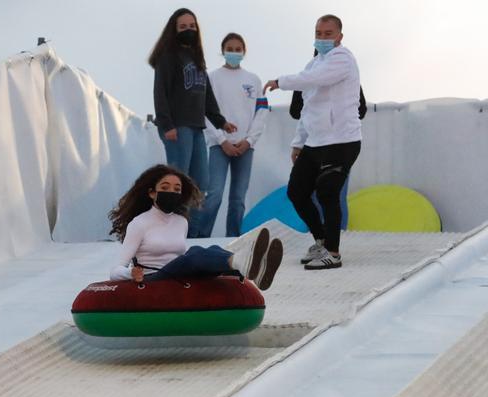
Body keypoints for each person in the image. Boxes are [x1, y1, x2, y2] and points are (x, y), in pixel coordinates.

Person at [263, 14, 361, 270]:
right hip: (316, 143)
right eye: (319, 33)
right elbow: (308, 108)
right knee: (296, 191)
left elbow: (314, 80)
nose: (323, 38)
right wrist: (298, 142)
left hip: (342, 141)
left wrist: (280, 82)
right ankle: (320, 239)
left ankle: (333, 251)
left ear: (339, 36)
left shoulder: (342, 59)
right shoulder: (313, 64)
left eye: (328, 33)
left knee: (328, 191)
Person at [108, 164, 283, 290]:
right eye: (165, 187)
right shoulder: (139, 223)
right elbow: (115, 270)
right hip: (154, 277)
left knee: (210, 249)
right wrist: (130, 274)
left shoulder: (181, 222)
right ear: (152, 193)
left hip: (179, 276)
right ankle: (244, 260)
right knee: (194, 254)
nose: (172, 192)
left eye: (177, 189)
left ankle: (254, 268)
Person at [149, 8, 237, 238]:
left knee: (199, 186)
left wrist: (221, 122)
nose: (188, 30)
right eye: (183, 27)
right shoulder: (168, 56)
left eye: (192, 26)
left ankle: (192, 235)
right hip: (177, 127)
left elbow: (207, 98)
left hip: (197, 128)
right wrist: (167, 125)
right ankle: (170, 234)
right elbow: (160, 92)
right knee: (176, 184)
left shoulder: (197, 60)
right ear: (174, 30)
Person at [199, 32, 270, 237]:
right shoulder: (211, 77)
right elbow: (204, 112)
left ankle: (233, 239)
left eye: (238, 49)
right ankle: (200, 239)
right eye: (230, 49)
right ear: (223, 51)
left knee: (238, 199)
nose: (234, 52)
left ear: (244, 52)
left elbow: (262, 112)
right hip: (219, 146)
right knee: (214, 195)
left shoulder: (253, 80)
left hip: (245, 147)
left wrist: (248, 141)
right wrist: (221, 140)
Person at [290, 63, 367, 229]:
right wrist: (315, 110)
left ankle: (337, 239)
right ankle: (321, 239)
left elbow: (362, 108)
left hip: (340, 145)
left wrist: (339, 115)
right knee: (311, 195)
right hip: (313, 146)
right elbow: (295, 110)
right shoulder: (307, 76)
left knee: (335, 194)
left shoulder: (345, 74)